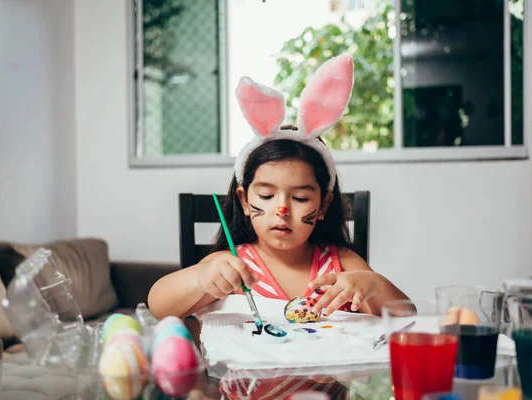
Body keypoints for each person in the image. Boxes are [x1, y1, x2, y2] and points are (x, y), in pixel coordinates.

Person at [148, 53, 409, 400]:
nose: (281, 210)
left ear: (324, 204)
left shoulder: (341, 265)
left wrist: (373, 285)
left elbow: (407, 318)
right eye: (267, 195)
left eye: (300, 198)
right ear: (243, 200)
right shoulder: (230, 266)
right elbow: (159, 306)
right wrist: (199, 279)